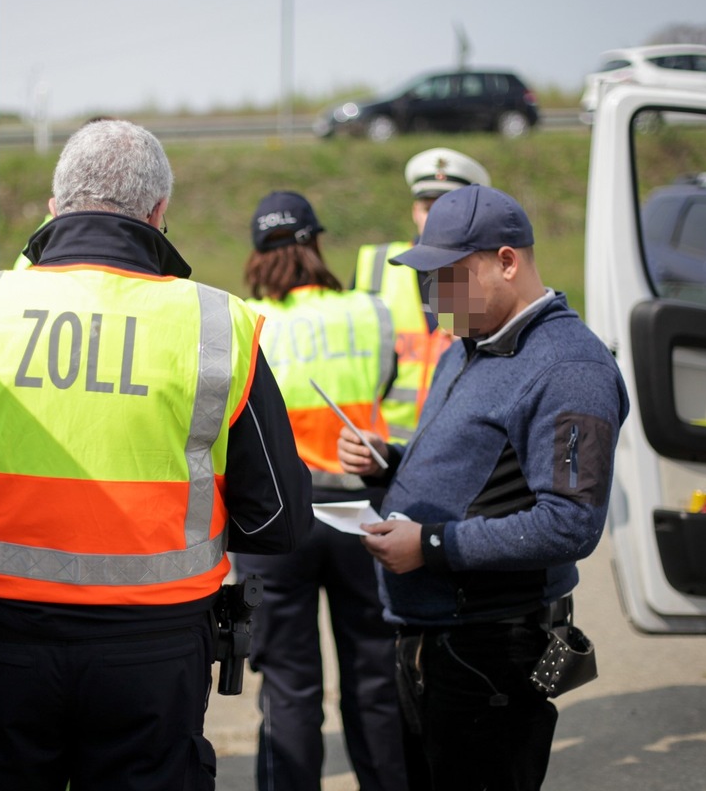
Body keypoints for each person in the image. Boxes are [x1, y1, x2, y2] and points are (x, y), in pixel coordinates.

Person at [0, 118, 313, 791]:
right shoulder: (217, 325)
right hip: (153, 658)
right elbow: (277, 524)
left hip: (3, 645)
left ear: (55, 208)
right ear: (159, 213)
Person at [338, 185, 629, 791]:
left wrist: (433, 546)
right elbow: (478, 469)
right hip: (433, 639)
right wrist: (388, 466)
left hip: (492, 648)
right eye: (428, 279)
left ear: (506, 261)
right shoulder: (469, 344)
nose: (435, 296)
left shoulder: (571, 368)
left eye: (450, 277)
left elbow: (571, 523)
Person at [231, 191, 406, 791]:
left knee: (289, 686)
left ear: (258, 255)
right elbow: (385, 384)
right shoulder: (369, 311)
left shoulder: (245, 324)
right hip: (362, 512)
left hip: (280, 521)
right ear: (316, 242)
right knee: (377, 678)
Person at [352, 147, 492, 444]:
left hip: (457, 446)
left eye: (448, 207)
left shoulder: (489, 276)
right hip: (383, 450)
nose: (435, 218)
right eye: (428, 208)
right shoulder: (374, 265)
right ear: (414, 211)